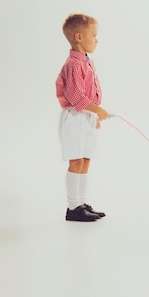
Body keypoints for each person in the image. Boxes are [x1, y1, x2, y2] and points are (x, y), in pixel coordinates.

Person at [56, 13, 110, 222]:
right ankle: (73, 207)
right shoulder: (73, 65)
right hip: (75, 116)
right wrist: (97, 110)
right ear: (79, 37)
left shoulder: (86, 62)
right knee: (76, 160)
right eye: (94, 35)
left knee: (86, 158)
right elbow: (75, 96)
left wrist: (93, 115)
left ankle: (81, 201)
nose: (97, 40)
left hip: (85, 116)